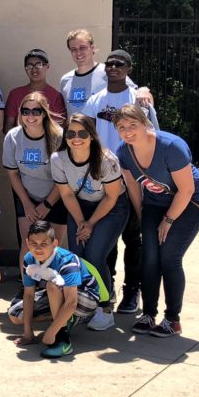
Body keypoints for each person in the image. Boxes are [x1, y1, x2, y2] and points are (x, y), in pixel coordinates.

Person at [114, 104, 199, 338]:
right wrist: (141, 216)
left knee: (169, 256)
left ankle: (172, 319)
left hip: (189, 202)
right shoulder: (123, 151)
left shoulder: (172, 146)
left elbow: (186, 190)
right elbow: (133, 186)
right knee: (149, 258)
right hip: (155, 203)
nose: (127, 131)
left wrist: (168, 221)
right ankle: (148, 314)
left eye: (132, 125)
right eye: (121, 127)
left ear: (145, 124)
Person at [82, 49, 157, 314]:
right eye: (110, 63)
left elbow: (153, 135)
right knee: (108, 240)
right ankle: (107, 287)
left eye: (120, 64)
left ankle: (132, 291)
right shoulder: (95, 100)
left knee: (133, 239)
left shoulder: (138, 99)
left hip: (133, 178)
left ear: (129, 68)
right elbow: (86, 135)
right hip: (105, 179)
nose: (113, 67)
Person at [50, 113, 129, 331]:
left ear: (92, 136)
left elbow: (112, 197)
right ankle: (84, 303)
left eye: (83, 133)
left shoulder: (106, 159)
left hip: (111, 208)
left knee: (94, 255)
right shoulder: (58, 159)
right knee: (77, 256)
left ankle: (105, 306)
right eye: (71, 133)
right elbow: (66, 195)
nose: (77, 138)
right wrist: (80, 222)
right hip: (80, 207)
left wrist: (90, 224)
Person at [10, 220, 105, 359]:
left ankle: (63, 340)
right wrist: (28, 333)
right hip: (59, 295)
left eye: (44, 244)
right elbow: (29, 295)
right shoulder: (29, 259)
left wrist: (51, 332)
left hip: (86, 298)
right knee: (15, 315)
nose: (38, 249)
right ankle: (66, 318)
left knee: (52, 285)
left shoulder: (67, 260)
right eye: (33, 244)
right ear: (27, 243)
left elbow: (72, 302)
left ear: (54, 244)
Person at [3, 92, 64, 266]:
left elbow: (64, 178)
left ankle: (49, 290)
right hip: (26, 195)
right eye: (25, 111)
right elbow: (12, 173)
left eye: (36, 111)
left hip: (56, 197)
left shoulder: (58, 136)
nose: (30, 116)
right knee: (28, 246)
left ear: (44, 113)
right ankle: (28, 290)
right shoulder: (13, 137)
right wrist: (27, 204)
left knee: (51, 248)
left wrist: (47, 205)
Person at [60, 29, 152, 116]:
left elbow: (137, 94)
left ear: (92, 48)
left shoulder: (109, 72)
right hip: (76, 133)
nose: (78, 52)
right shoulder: (65, 80)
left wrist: (144, 91)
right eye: (74, 49)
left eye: (82, 48)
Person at [4, 49, 66, 132]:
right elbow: (8, 128)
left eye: (38, 65)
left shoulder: (56, 96)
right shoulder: (15, 94)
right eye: (29, 66)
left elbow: (59, 129)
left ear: (47, 66)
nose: (34, 70)